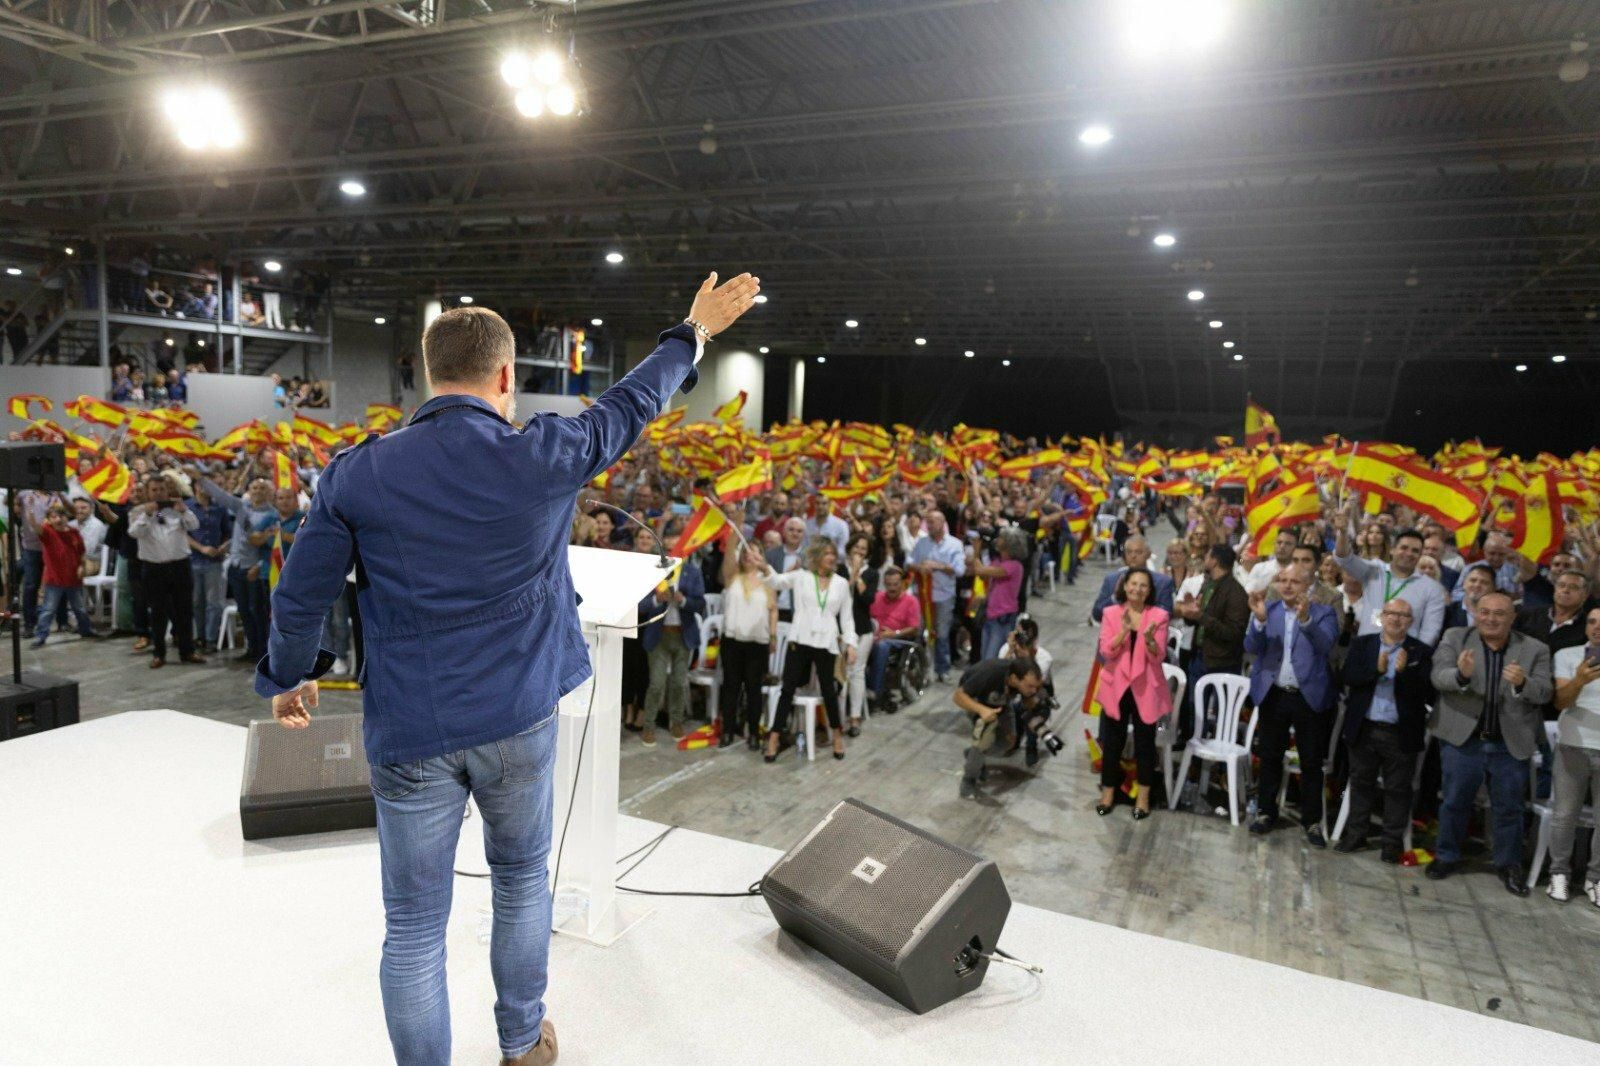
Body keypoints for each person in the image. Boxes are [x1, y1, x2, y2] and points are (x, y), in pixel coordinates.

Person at [254, 271, 758, 1066]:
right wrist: (692, 331)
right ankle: (522, 1043)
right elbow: (631, 403)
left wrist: (292, 673)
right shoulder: (545, 454)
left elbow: (300, 591)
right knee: (522, 880)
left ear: (428, 375)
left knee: (414, 927)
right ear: (505, 378)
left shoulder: (362, 472)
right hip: (520, 719)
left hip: (412, 730)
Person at [1427, 591, 1552, 895]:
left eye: (1499, 614)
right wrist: (1461, 675)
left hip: (1509, 744)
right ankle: (1446, 855)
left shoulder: (1535, 649)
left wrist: (1523, 683)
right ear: (1475, 613)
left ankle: (1508, 865)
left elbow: (1545, 692)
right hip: (1463, 739)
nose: (1491, 619)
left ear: (1512, 617)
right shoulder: (1456, 637)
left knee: (1509, 808)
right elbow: (1438, 677)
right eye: (1485, 612)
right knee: (1455, 802)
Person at [1245, 566, 1340, 844]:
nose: (1287, 585)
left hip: (1307, 696)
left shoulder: (1323, 612)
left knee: (1311, 761)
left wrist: (1306, 619)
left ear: (1309, 584)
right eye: (1283, 580)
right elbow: (1251, 645)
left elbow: (1326, 646)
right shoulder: (1268, 609)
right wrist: (1260, 621)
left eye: (1295, 581)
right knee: (1270, 756)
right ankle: (1265, 812)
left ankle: (1312, 822)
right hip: (1274, 694)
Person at [1336, 598, 1434, 863]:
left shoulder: (1420, 652)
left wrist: (1404, 673)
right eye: (1391, 613)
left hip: (1399, 732)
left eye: (1403, 615)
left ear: (1411, 622)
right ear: (1382, 617)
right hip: (1364, 727)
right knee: (1360, 783)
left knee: (1397, 790)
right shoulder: (1363, 644)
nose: (1396, 619)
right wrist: (1376, 671)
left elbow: (1427, 691)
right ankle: (1356, 835)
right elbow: (1348, 677)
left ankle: (1391, 843)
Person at [762, 538, 857, 760]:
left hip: (827, 642)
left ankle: (837, 734)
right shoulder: (802, 577)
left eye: (833, 553)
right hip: (800, 639)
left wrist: (850, 644)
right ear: (815, 557)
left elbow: (847, 619)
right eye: (826, 554)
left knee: (829, 691)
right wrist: (763, 565)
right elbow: (776, 581)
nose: (832, 558)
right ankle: (774, 736)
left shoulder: (841, 583)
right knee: (788, 689)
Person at [1094, 567, 1171, 820]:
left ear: (1150, 591)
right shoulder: (1110, 613)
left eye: (1143, 586)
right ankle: (1108, 793)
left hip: (1145, 686)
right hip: (1117, 685)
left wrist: (1148, 638)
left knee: (1144, 745)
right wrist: (1125, 631)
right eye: (1133, 584)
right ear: (1125, 586)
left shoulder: (1158, 615)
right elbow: (1107, 651)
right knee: (1112, 742)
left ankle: (1144, 798)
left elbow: (1158, 656)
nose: (1137, 589)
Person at [1548, 605, 1600, 906]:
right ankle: (1559, 873)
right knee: (1565, 814)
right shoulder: (1567, 656)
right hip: (1573, 745)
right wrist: (1580, 679)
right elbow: (1561, 702)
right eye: (1591, 622)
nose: (1596, 627)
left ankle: (1595, 878)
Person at [197, 468, 277, 662]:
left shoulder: (272, 515)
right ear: (249, 490)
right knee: (244, 611)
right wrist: (199, 479)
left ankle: (263, 652)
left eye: (262, 488)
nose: (258, 491)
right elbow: (221, 496)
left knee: (258, 611)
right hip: (236, 566)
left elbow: (271, 548)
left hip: (254, 569)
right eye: (255, 487)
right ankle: (251, 649)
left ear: (269, 493)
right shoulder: (242, 508)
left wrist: (259, 565)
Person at [1172, 543, 1250, 736]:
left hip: (1222, 661)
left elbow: (1233, 632)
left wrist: (1200, 617)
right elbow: (1199, 616)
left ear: (1214, 560)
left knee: (1222, 713)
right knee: (1194, 708)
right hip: (1200, 656)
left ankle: (1218, 760)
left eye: (1208, 556)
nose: (1204, 559)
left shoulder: (1236, 593)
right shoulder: (1208, 585)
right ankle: (1194, 755)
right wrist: (1190, 614)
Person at [1334, 513, 1446, 646]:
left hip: (1404, 656)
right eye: (1404, 548)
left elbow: (1430, 632)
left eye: (1415, 551)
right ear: (1392, 550)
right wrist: (1342, 532)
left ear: (1421, 555)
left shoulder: (1432, 588)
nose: (1409, 553)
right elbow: (1344, 559)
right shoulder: (1374, 569)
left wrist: (1413, 656)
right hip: (1366, 651)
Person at [128, 475, 204, 669]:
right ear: (147, 492)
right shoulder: (139, 511)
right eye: (154, 490)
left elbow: (195, 525)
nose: (158, 493)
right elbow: (134, 533)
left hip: (180, 566)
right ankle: (159, 653)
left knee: (184, 611)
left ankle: (187, 650)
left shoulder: (178, 509)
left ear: (167, 490)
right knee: (158, 613)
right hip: (154, 568)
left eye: (161, 489)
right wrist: (147, 515)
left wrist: (185, 511)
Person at [636, 548, 707, 744]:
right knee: (656, 684)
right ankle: (648, 726)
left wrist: (682, 600)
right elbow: (640, 605)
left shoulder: (692, 572)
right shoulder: (654, 571)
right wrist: (657, 599)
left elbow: (700, 603)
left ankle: (676, 721)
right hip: (658, 636)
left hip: (683, 636)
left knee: (678, 683)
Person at [953, 656, 1043, 799]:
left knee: (1008, 742)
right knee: (982, 742)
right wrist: (982, 710)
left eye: (1036, 687)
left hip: (1001, 704)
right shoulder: (990, 673)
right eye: (1030, 686)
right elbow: (958, 696)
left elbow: (1028, 700)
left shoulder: (1021, 679)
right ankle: (969, 780)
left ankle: (973, 755)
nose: (1033, 690)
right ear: (1014, 679)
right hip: (976, 702)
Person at [717, 541, 777, 750]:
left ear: (761, 556)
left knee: (754, 689)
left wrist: (772, 636)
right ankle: (727, 731)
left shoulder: (768, 580)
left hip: (757, 643)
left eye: (754, 551)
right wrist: (735, 527)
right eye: (745, 551)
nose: (748, 555)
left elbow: (773, 610)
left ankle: (753, 733)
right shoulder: (732, 576)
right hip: (732, 641)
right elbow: (727, 561)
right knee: (731, 687)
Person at [25, 502, 97, 646]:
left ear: (67, 517)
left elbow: (82, 553)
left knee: (80, 608)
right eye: (54, 517)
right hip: (54, 580)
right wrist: (31, 509)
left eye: (61, 516)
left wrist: (82, 567)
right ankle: (41, 635)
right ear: (49, 520)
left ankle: (85, 629)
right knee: (48, 610)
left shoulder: (74, 533)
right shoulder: (48, 532)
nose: (58, 519)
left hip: (73, 580)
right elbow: (34, 525)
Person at [909, 509, 966, 682]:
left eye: (932, 522)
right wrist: (919, 567)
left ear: (942, 523)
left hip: (944, 596)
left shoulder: (955, 544)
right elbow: (909, 562)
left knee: (941, 634)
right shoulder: (922, 542)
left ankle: (942, 669)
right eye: (928, 522)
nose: (928, 525)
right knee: (919, 632)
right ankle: (921, 668)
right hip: (923, 596)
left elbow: (959, 570)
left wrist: (937, 566)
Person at [865, 565, 923, 713]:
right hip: (873, 636)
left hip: (898, 639)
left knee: (882, 646)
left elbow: (914, 628)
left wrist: (894, 633)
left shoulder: (911, 601)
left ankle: (874, 693)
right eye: (889, 584)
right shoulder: (877, 597)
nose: (892, 588)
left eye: (895, 584)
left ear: (902, 583)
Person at [839, 532, 878, 735]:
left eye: (864, 549)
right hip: (841, 631)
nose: (859, 551)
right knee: (840, 672)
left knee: (856, 672)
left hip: (862, 629)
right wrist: (851, 573)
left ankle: (855, 717)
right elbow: (839, 595)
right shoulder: (838, 569)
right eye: (857, 547)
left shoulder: (872, 573)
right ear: (850, 547)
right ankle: (837, 717)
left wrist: (857, 575)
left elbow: (868, 599)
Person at [186, 480, 231, 651]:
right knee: (197, 601)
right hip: (194, 559)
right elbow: (184, 533)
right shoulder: (188, 506)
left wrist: (222, 547)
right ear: (197, 486)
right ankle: (199, 636)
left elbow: (227, 531)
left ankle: (211, 638)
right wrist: (201, 548)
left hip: (214, 560)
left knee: (214, 602)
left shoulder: (219, 508)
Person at [1090, 536, 1174, 622]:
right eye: (1129, 552)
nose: (1133, 556)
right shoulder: (1112, 580)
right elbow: (1097, 614)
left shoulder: (1162, 582)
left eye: (1138, 552)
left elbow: (1167, 614)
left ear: (1148, 555)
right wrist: (1115, 597)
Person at [973, 528, 1026, 661]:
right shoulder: (998, 562)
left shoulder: (1014, 566)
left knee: (992, 658)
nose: (998, 540)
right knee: (984, 656)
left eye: (1001, 538)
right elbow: (981, 574)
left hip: (1002, 618)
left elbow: (980, 570)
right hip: (990, 615)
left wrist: (976, 551)